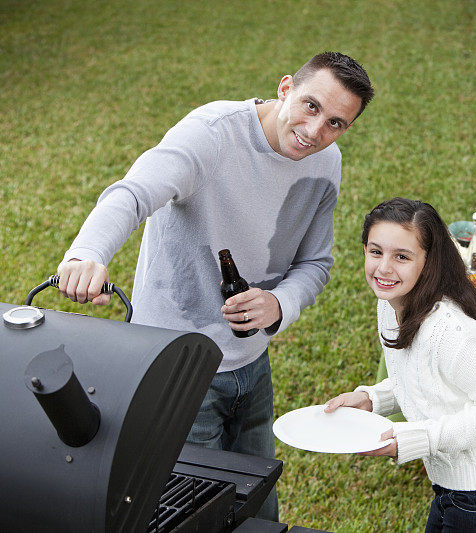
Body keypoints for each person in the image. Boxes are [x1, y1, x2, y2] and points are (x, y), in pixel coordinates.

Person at [55, 51, 374, 521]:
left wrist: (279, 303)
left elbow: (316, 263)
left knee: (259, 504)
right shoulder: (212, 134)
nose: (316, 131)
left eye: (336, 123)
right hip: (178, 365)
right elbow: (133, 193)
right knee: (189, 514)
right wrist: (87, 254)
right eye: (311, 106)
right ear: (285, 87)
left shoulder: (325, 162)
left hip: (251, 363)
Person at [324, 198, 476, 532]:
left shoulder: (452, 332)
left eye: (402, 257)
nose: (383, 268)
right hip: (454, 487)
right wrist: (371, 398)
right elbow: (424, 378)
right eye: (375, 251)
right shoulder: (391, 305)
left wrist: (419, 438)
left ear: (429, 261)